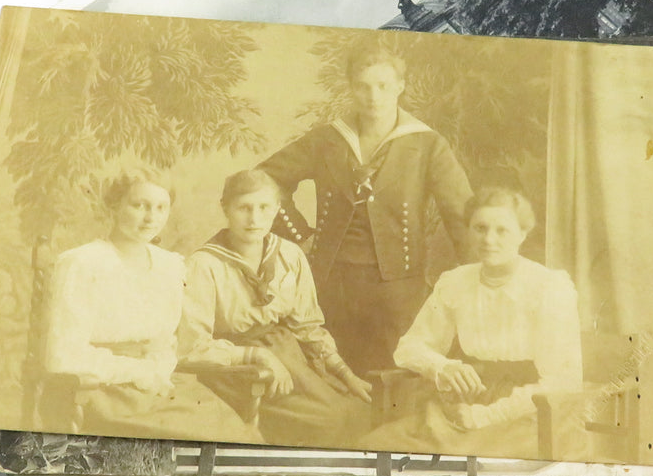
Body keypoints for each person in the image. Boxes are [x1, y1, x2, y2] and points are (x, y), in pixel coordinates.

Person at [257, 41, 473, 375]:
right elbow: (263, 179)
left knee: (396, 378)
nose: (373, 96)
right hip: (331, 283)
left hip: (399, 288)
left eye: (383, 86)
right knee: (334, 375)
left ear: (400, 87)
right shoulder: (327, 139)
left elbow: (461, 215)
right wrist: (300, 233)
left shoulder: (427, 144)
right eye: (363, 87)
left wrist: (475, 273)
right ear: (351, 88)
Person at [362, 187, 583, 460]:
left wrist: (484, 416)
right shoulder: (456, 282)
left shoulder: (548, 287)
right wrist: (442, 367)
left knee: (460, 462)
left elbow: (563, 381)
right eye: (480, 228)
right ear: (469, 231)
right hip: (462, 401)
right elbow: (409, 348)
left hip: (529, 411)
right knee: (377, 445)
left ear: (523, 234)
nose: (489, 239)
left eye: (502, 230)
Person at [44, 168, 262, 443]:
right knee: (194, 438)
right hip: (100, 389)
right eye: (139, 206)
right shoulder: (83, 263)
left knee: (236, 435)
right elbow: (63, 356)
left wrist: (156, 369)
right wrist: (139, 372)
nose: (151, 218)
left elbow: (165, 343)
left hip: (158, 383)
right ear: (114, 205)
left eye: (161, 207)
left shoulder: (168, 265)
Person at [180, 169, 372, 447]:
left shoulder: (289, 254)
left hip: (289, 356)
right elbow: (191, 347)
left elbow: (306, 327)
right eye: (244, 208)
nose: (254, 219)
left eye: (264, 207)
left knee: (358, 412)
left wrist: (344, 372)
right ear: (226, 209)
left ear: (277, 209)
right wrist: (257, 355)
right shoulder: (204, 265)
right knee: (330, 422)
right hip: (236, 371)